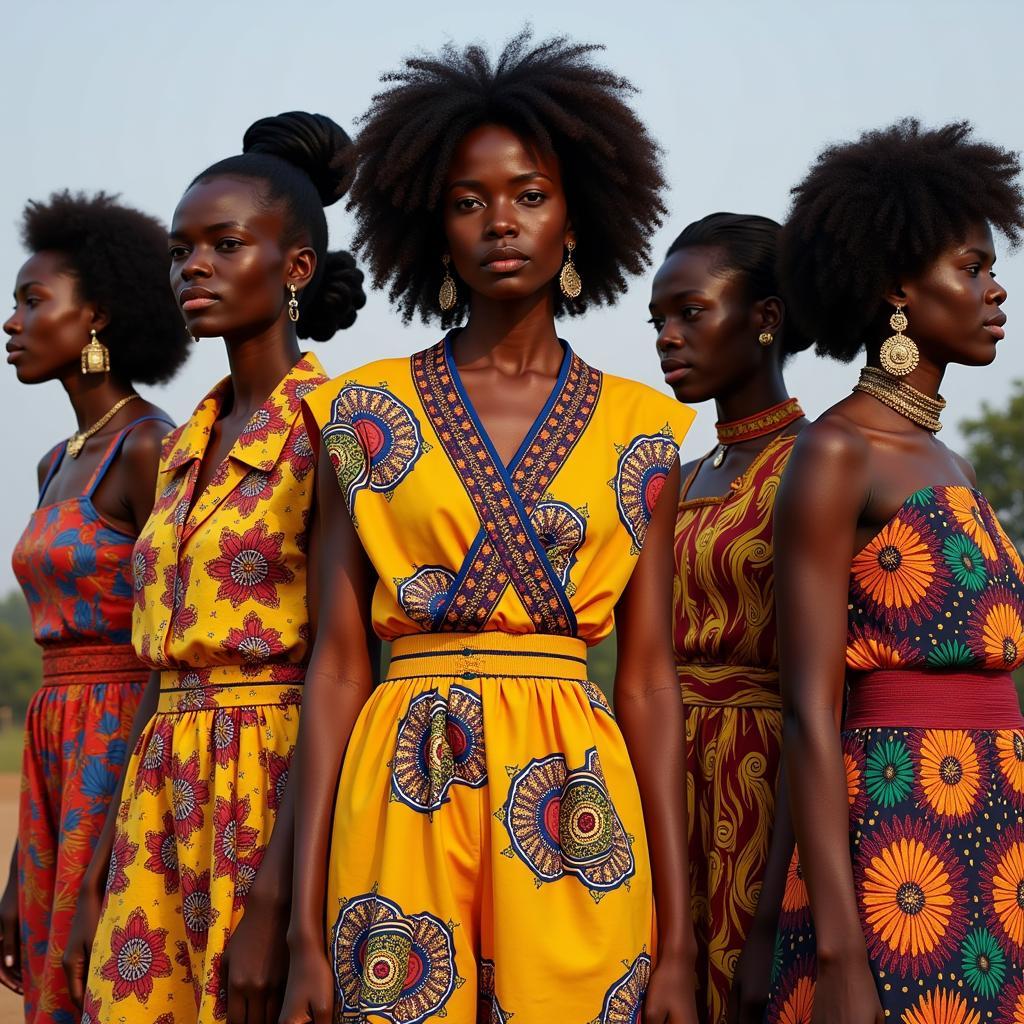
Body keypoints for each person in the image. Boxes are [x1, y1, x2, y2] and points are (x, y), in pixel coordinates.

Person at [282, 33, 700, 1024]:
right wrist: (301, 926)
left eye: (529, 194)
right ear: (432, 229)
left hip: (572, 796)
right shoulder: (360, 412)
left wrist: (678, 945)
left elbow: (645, 681)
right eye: (468, 201)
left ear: (577, 220)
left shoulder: (646, 427)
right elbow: (337, 667)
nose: (499, 221)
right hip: (398, 787)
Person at [70, 112, 365, 1023]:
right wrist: (102, 870)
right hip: (160, 786)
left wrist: (281, 895)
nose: (191, 267)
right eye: (180, 250)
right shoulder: (180, 442)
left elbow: (343, 666)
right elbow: (154, 673)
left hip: (274, 785)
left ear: (296, 269)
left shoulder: (338, 428)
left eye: (224, 244)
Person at [767, 119, 1024, 1024]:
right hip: (896, 841)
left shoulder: (947, 461)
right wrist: (839, 954)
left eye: (993, 268)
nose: (996, 292)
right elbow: (806, 708)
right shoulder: (837, 452)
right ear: (897, 290)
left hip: (993, 832)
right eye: (972, 267)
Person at [2, 190, 186, 1022]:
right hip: (52, 733)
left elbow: (170, 636)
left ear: (97, 318)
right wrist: (16, 868)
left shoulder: (150, 446)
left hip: (123, 728)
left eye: (33, 300)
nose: (12, 320)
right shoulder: (53, 462)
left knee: (109, 968)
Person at [649, 213, 810, 1024]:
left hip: (767, 784)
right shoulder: (669, 479)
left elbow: (819, 698)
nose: (669, 337)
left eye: (691, 312)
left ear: (766, 319)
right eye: (659, 322)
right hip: (655, 783)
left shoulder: (819, 468)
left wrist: (777, 909)